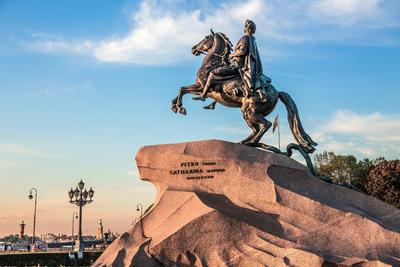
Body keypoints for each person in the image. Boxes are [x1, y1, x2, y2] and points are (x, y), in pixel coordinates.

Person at [193, 19, 263, 101]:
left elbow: (242, 51)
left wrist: (231, 55)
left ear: (246, 28)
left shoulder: (245, 38)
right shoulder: (252, 39)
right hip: (242, 65)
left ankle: (203, 95)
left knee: (212, 73)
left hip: (237, 65)